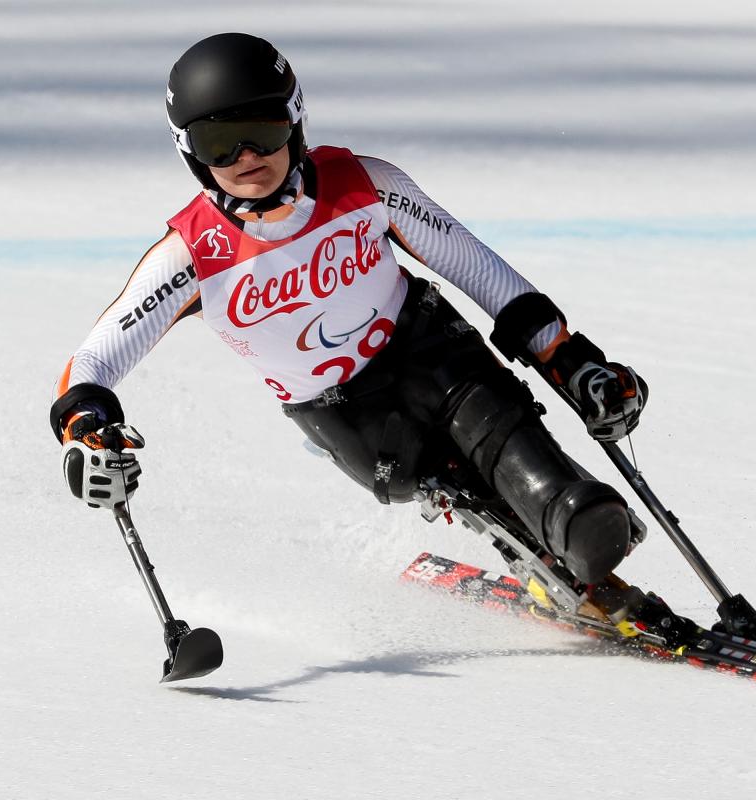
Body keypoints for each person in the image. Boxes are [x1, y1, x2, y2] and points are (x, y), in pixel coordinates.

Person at [52, 32, 655, 610]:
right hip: (345, 414)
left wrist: (570, 359)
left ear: (295, 121)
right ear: (190, 154)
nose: (247, 157)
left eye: (262, 131)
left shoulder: (365, 184)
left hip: (432, 349)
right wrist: (85, 429)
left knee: (501, 429)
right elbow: (96, 358)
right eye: (220, 143)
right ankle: (541, 544)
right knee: (439, 475)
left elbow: (478, 269)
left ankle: (573, 519)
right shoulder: (194, 254)